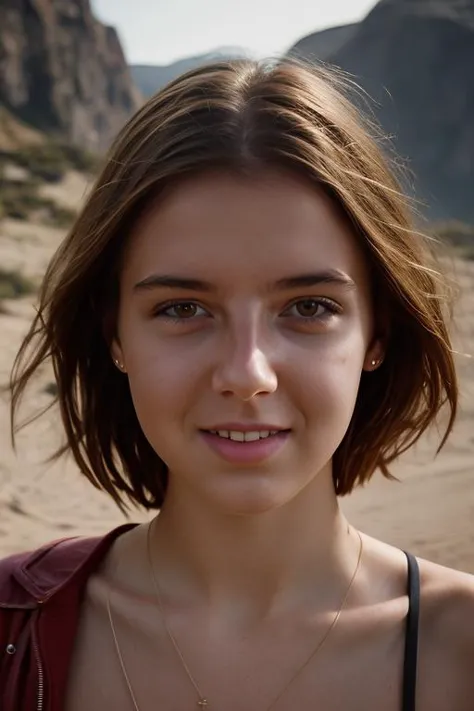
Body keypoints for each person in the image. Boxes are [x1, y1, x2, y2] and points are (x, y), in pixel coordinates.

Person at [1, 58, 473, 711]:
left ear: (377, 336)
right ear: (115, 336)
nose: (248, 373)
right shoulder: (11, 626)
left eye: (308, 307)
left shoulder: (462, 648)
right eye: (182, 308)